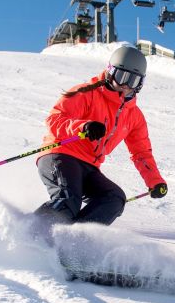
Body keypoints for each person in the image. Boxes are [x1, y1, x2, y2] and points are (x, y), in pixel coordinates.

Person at [32, 46, 168, 242]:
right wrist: (83, 127)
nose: (125, 85)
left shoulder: (134, 116)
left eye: (133, 80)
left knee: (114, 198)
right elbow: (54, 120)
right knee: (68, 200)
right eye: (121, 76)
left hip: (89, 166)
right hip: (60, 155)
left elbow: (141, 153)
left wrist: (154, 182)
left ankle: (74, 244)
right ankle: (30, 237)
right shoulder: (87, 93)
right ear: (110, 71)